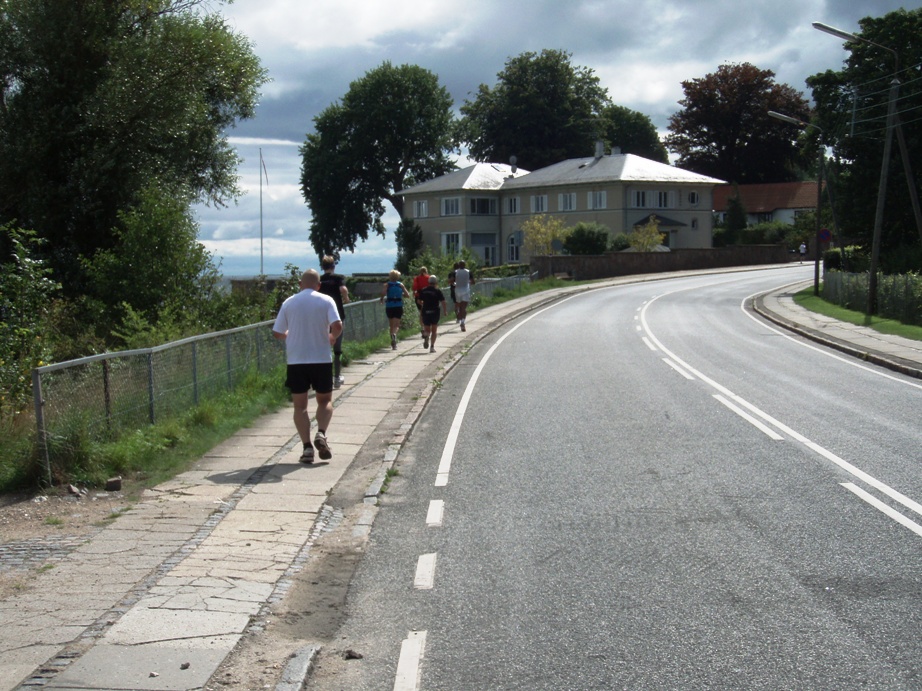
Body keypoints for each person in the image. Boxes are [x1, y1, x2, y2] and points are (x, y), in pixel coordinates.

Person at [272, 269, 343, 464]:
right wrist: (331, 338)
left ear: (300, 284)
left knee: (300, 406)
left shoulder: (289, 302)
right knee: (325, 400)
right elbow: (337, 326)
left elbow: (277, 332)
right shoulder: (326, 301)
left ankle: (307, 448)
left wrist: (289, 336)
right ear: (318, 285)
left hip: (296, 360)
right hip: (320, 358)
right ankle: (321, 433)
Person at [318, 256, 350, 389]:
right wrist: (346, 298)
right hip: (337, 315)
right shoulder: (338, 278)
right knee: (337, 348)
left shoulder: (319, 279)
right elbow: (343, 290)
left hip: (322, 316)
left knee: (323, 347)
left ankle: (324, 378)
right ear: (333, 266)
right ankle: (337, 377)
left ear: (322, 266)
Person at [381, 269, 410, 350]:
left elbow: (383, 293)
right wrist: (401, 294)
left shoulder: (387, 285)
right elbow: (407, 295)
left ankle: (393, 342)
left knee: (391, 325)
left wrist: (381, 298)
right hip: (398, 305)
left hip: (389, 306)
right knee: (397, 325)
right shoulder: (400, 285)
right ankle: (394, 335)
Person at [418, 274, 448, 353]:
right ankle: (432, 347)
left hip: (426, 311)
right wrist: (445, 311)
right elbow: (443, 302)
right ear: (436, 282)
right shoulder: (437, 291)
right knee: (434, 330)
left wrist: (422, 304)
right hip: (435, 311)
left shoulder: (424, 290)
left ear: (429, 282)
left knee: (427, 329)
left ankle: (426, 335)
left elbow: (419, 300)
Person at [453, 260, 474, 332]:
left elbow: (451, 281)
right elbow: (473, 281)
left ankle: (459, 314)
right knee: (464, 307)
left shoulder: (455, 272)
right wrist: (469, 282)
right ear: (465, 265)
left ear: (459, 265)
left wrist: (455, 283)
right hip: (465, 290)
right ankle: (462, 322)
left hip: (457, 290)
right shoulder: (468, 272)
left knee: (459, 306)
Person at [411, 266, 430, 345]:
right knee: (428, 312)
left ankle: (422, 327)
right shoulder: (429, 278)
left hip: (419, 297)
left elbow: (414, 288)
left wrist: (414, 294)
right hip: (428, 297)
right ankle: (427, 327)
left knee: (421, 312)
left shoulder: (417, 278)